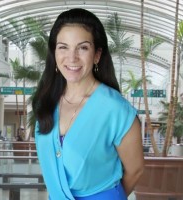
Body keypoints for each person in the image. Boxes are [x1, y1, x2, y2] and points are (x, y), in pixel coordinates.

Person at [32, 8, 144, 200]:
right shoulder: (47, 101)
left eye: (82, 47)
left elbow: (135, 170)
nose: (72, 57)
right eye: (63, 47)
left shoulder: (116, 109)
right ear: (54, 53)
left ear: (97, 54)